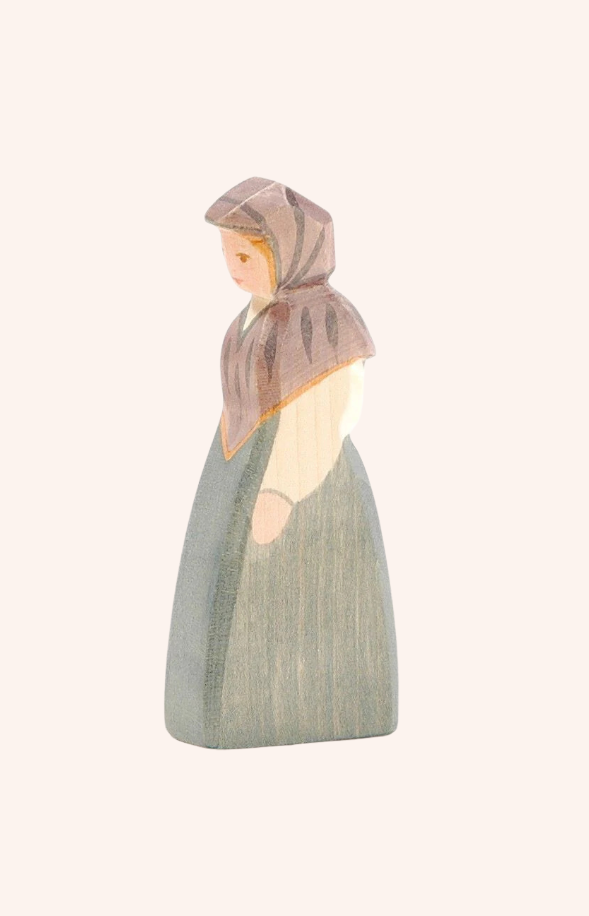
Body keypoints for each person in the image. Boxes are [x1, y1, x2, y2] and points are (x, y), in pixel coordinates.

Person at [165, 177, 398, 749]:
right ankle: (233, 714)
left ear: (290, 253)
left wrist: (284, 491)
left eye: (245, 256)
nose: (232, 267)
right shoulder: (249, 319)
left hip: (304, 488)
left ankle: (321, 708)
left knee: (305, 603)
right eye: (226, 254)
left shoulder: (323, 323)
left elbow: (327, 417)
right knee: (228, 605)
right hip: (241, 468)